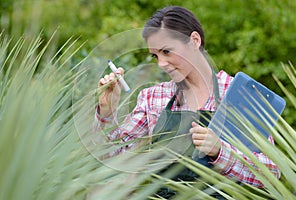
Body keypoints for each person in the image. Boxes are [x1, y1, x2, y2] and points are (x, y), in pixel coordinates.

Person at [94, 5, 280, 197]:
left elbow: (272, 173)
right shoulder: (153, 98)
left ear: (194, 40)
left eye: (167, 51)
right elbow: (114, 158)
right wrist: (106, 113)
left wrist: (220, 152)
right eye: (155, 55)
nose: (161, 64)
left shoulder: (240, 95)